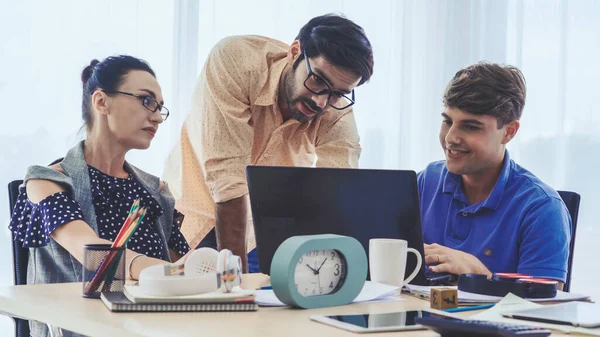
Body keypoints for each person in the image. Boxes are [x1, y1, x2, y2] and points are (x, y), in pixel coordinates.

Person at [163, 14, 374, 271]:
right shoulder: (237, 61)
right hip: (191, 208)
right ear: (295, 52)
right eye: (318, 80)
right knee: (200, 302)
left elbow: (338, 192)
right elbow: (228, 178)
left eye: (337, 94)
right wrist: (236, 287)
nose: (321, 102)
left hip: (258, 226)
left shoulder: (337, 111)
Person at [9, 55, 191, 337]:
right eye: (146, 100)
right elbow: (91, 253)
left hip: (156, 328)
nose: (156, 116)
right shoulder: (47, 181)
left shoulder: (155, 191)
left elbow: (184, 264)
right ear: (101, 102)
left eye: (160, 107)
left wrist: (203, 271)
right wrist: (168, 274)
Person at [418, 62, 571, 286]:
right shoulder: (426, 181)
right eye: (447, 121)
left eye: (470, 126)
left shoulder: (542, 207)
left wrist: (482, 277)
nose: (451, 137)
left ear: (508, 132)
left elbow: (544, 308)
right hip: (420, 318)